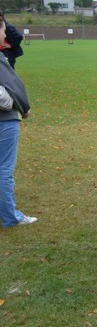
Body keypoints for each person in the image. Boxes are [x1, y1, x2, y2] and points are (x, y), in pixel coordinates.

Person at [0, 15, 35, 227]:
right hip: (4, 121)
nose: (5, 34)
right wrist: (14, 103)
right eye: (2, 29)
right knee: (4, 170)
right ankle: (10, 217)